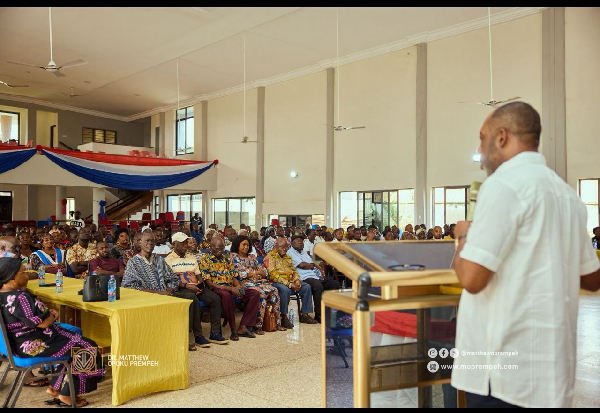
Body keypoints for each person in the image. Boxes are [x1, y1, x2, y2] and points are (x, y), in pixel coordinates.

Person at [451, 102, 600, 408]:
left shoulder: (502, 185)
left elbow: (473, 279)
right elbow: (592, 278)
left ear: (502, 137)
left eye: (482, 138)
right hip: (552, 366)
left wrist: (464, 235)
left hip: (503, 368)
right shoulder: (566, 194)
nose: (479, 149)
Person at [0, 257, 104, 407]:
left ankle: (55, 388)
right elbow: (43, 323)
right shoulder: (20, 298)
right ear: (11, 278)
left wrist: (47, 315)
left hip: (16, 343)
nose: (27, 275)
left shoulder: (3, 296)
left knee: (76, 341)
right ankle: (66, 394)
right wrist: (52, 316)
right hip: (33, 344)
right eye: (23, 272)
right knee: (88, 348)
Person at [122, 232, 222, 351]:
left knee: (191, 299)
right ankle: (181, 338)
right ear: (140, 243)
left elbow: (173, 278)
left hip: (166, 294)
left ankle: (189, 336)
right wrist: (160, 293)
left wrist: (169, 290)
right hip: (146, 298)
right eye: (147, 241)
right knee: (190, 297)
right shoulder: (133, 262)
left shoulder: (158, 259)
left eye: (152, 241)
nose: (150, 243)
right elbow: (129, 286)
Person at [165, 232, 228, 347]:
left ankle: (215, 333)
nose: (185, 245)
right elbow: (169, 280)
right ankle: (198, 335)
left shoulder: (192, 257)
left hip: (195, 286)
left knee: (215, 298)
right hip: (181, 288)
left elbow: (198, 274)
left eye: (186, 243)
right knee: (193, 298)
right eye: (182, 243)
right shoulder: (168, 260)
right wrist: (187, 286)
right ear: (174, 244)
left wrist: (199, 284)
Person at [198, 237, 261, 341]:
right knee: (226, 296)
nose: (220, 251)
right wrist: (230, 289)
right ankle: (233, 329)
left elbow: (234, 276)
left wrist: (238, 287)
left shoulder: (226, 258)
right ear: (211, 247)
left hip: (231, 286)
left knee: (254, 294)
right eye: (217, 249)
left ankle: (244, 326)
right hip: (216, 288)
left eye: (222, 248)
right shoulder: (204, 260)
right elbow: (209, 283)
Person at [230, 235, 286, 333]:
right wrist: (255, 273)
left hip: (258, 281)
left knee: (274, 291)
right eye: (243, 245)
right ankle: (258, 325)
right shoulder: (233, 257)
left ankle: (277, 323)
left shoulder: (252, 257)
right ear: (237, 245)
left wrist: (255, 274)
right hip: (244, 283)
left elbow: (264, 271)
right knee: (262, 293)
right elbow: (239, 274)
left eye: (248, 245)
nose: (246, 247)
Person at [263, 237, 316, 326]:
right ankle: (284, 317)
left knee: (306, 286)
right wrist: (290, 284)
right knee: (285, 290)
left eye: (286, 247)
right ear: (275, 246)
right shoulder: (269, 257)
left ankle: (304, 315)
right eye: (281, 247)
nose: (284, 249)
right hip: (275, 282)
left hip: (289, 281)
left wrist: (297, 280)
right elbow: (273, 275)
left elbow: (293, 271)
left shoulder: (288, 257)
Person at [287, 235, 339, 324]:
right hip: (303, 278)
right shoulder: (290, 253)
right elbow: (302, 265)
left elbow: (311, 264)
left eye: (301, 241)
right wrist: (314, 265)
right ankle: (319, 315)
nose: (300, 242)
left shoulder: (303, 252)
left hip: (314, 276)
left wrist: (319, 270)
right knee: (318, 286)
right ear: (292, 243)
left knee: (334, 284)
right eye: (297, 241)